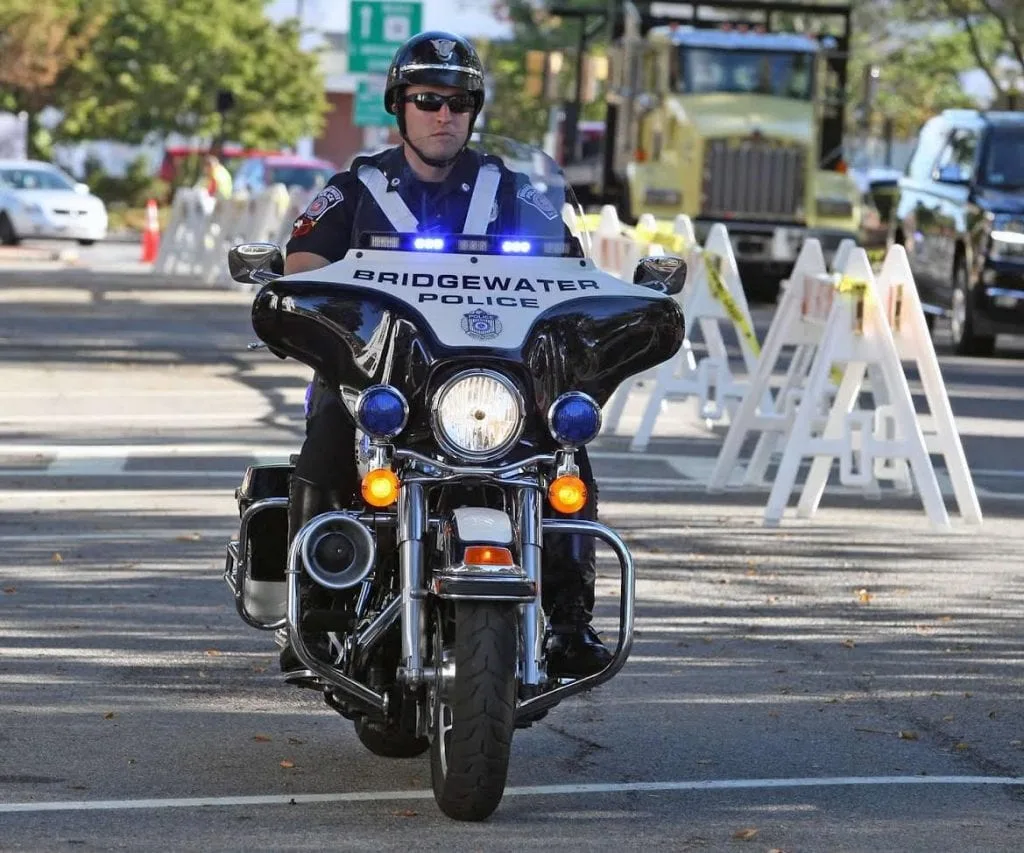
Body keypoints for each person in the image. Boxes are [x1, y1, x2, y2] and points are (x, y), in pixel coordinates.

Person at [279, 30, 611, 679]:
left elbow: (577, 267)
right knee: (329, 426)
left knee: (568, 440)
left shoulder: (512, 188)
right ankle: (312, 615)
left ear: (473, 110)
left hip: (492, 385)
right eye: (427, 99)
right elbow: (302, 263)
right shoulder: (356, 187)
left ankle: (571, 620)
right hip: (384, 382)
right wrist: (310, 295)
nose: (443, 115)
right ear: (399, 106)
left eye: (458, 102)